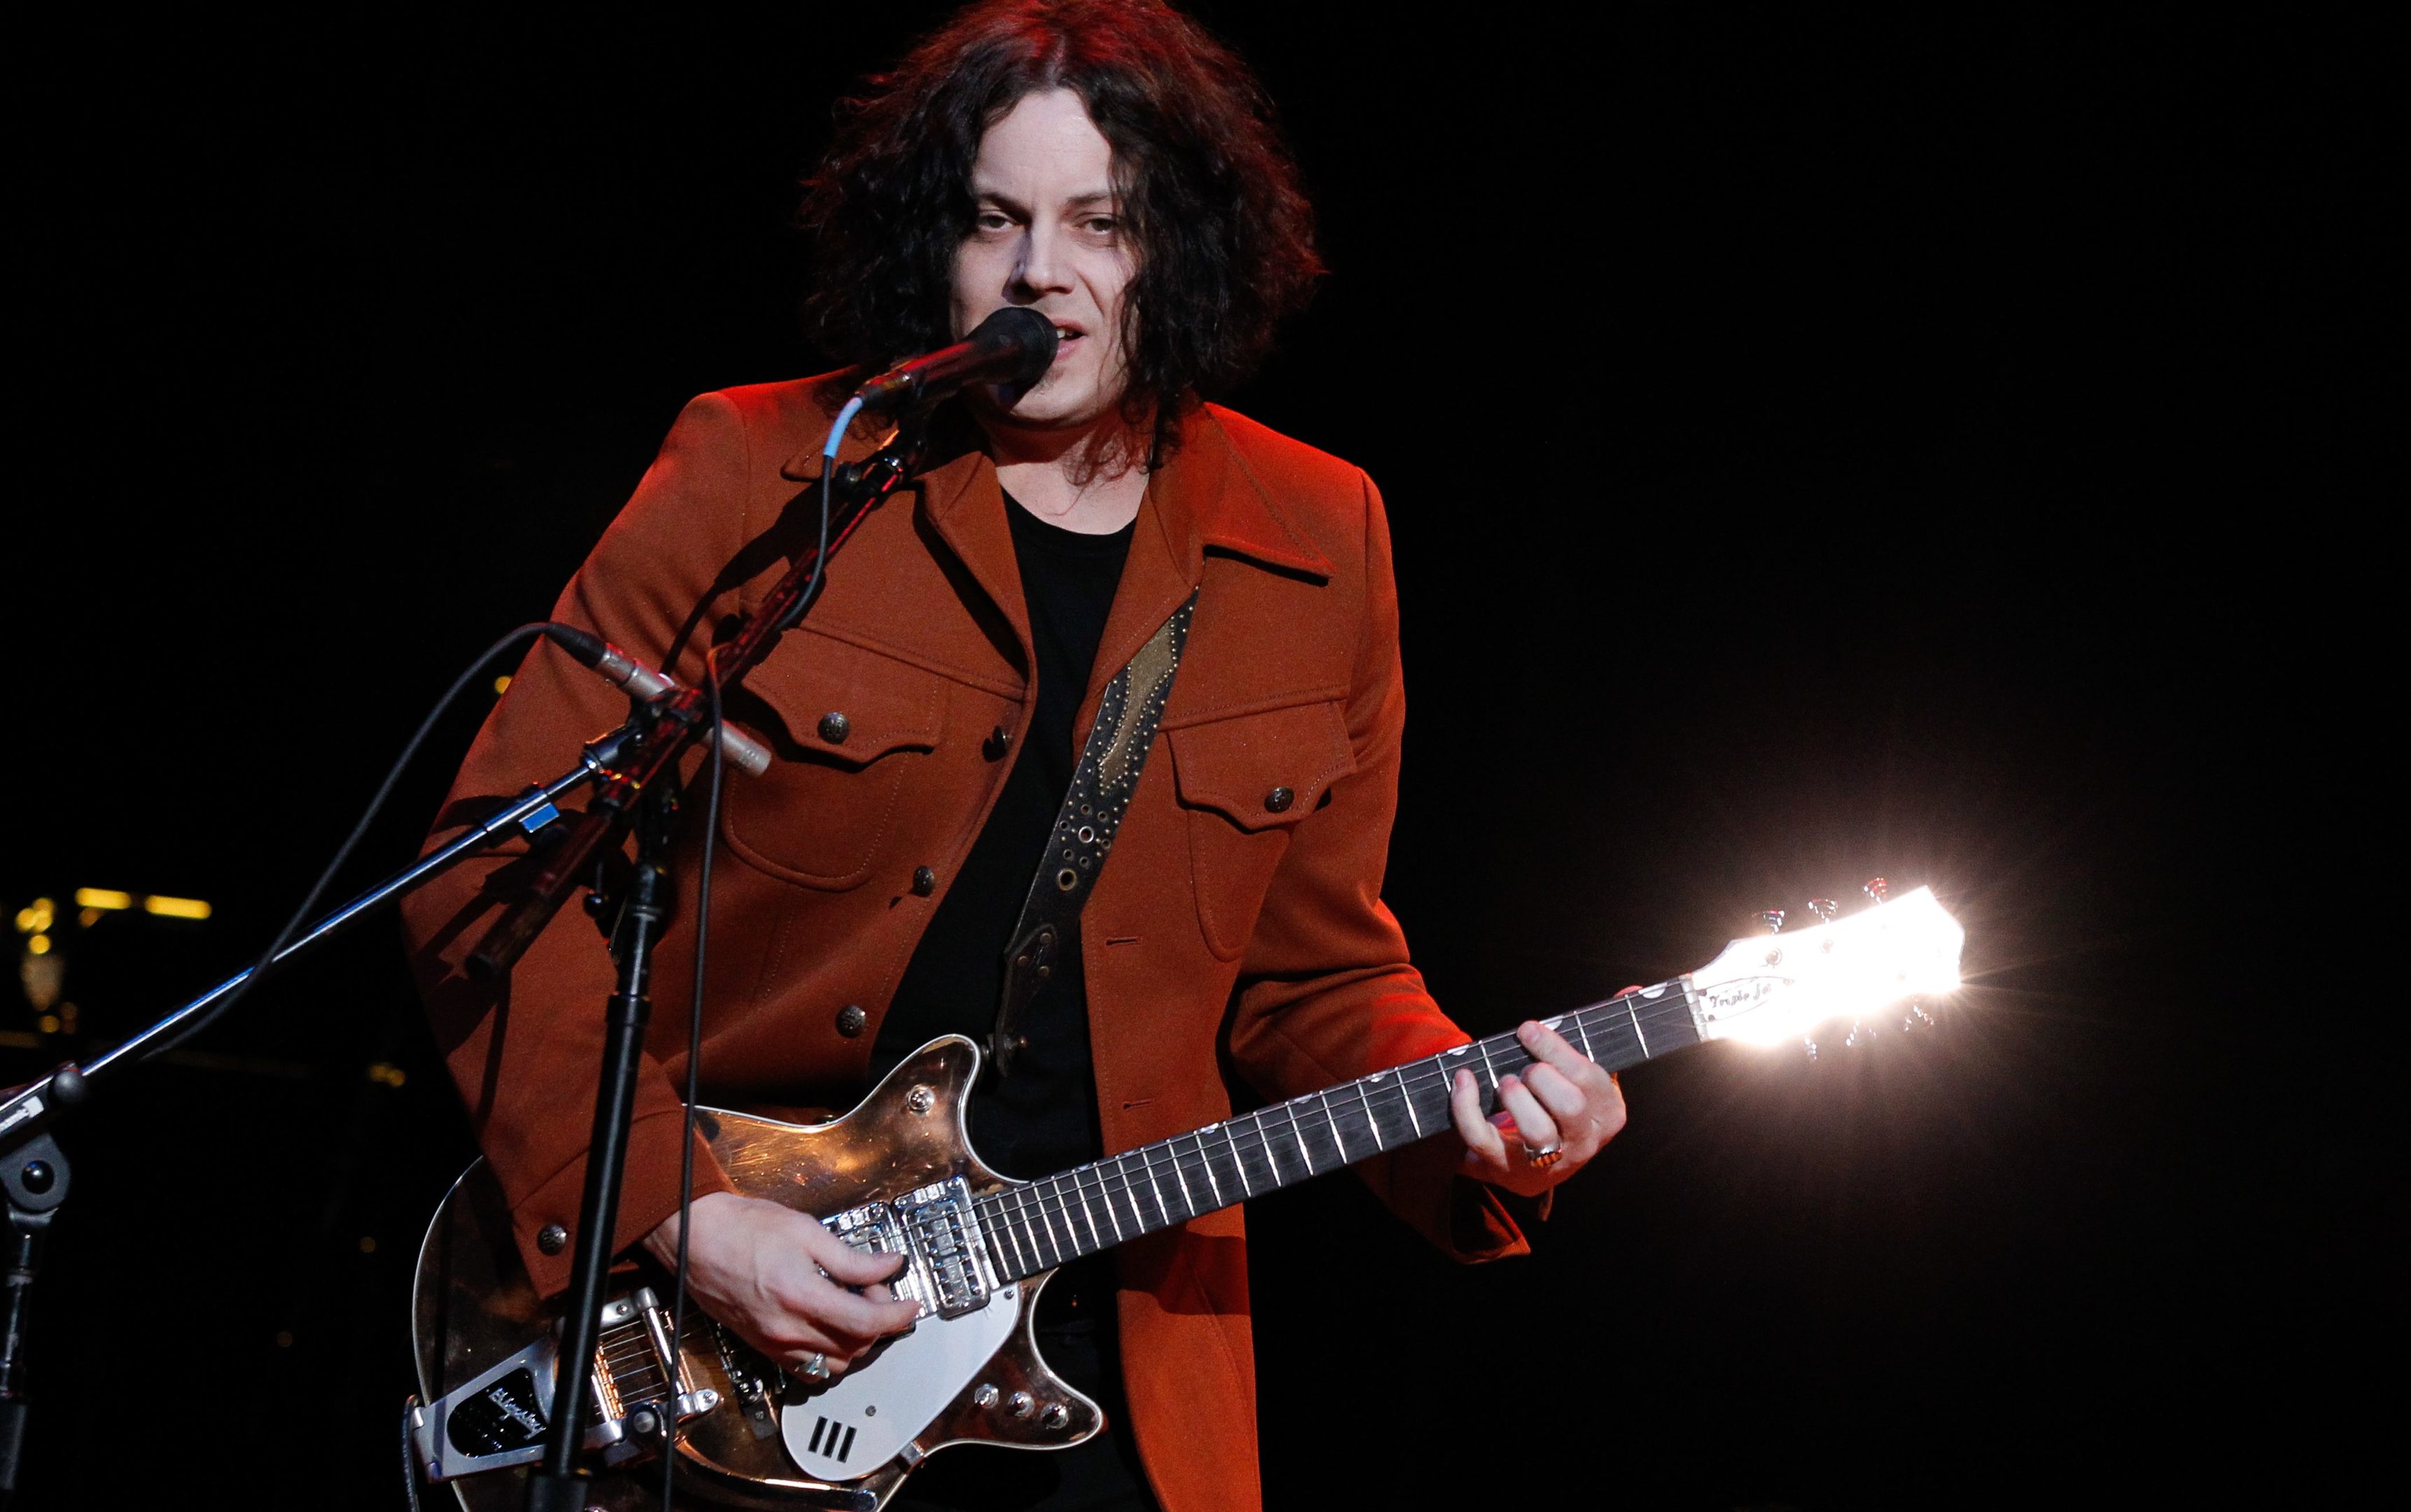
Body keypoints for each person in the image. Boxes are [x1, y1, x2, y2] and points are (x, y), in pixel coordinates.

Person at [400, 4, 1626, 1508]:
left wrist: (1487, 1117)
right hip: (725, 1333)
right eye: (996, 221)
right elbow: (490, 880)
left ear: (1177, 249)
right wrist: (676, 1212)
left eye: (1099, 224)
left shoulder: (1320, 535)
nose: (1041, 272)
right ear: (939, 246)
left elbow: (1317, 977)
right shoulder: (768, 472)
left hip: (1101, 1372)